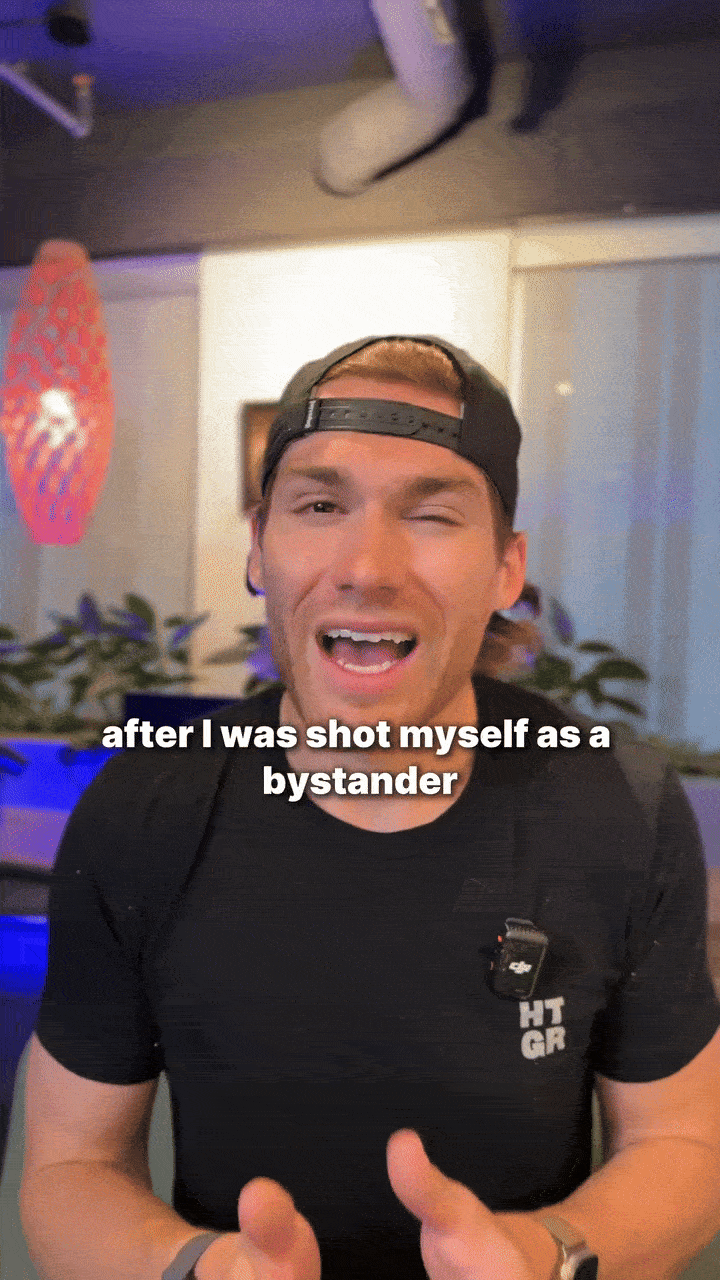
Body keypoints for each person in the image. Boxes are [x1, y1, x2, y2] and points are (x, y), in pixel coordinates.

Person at [20, 336, 720, 1280]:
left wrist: (543, 1255)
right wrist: (199, 1268)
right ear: (259, 547)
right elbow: (72, 1165)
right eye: (319, 506)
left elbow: (682, 1142)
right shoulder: (143, 809)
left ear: (506, 568)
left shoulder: (619, 805)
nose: (367, 566)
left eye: (432, 515)